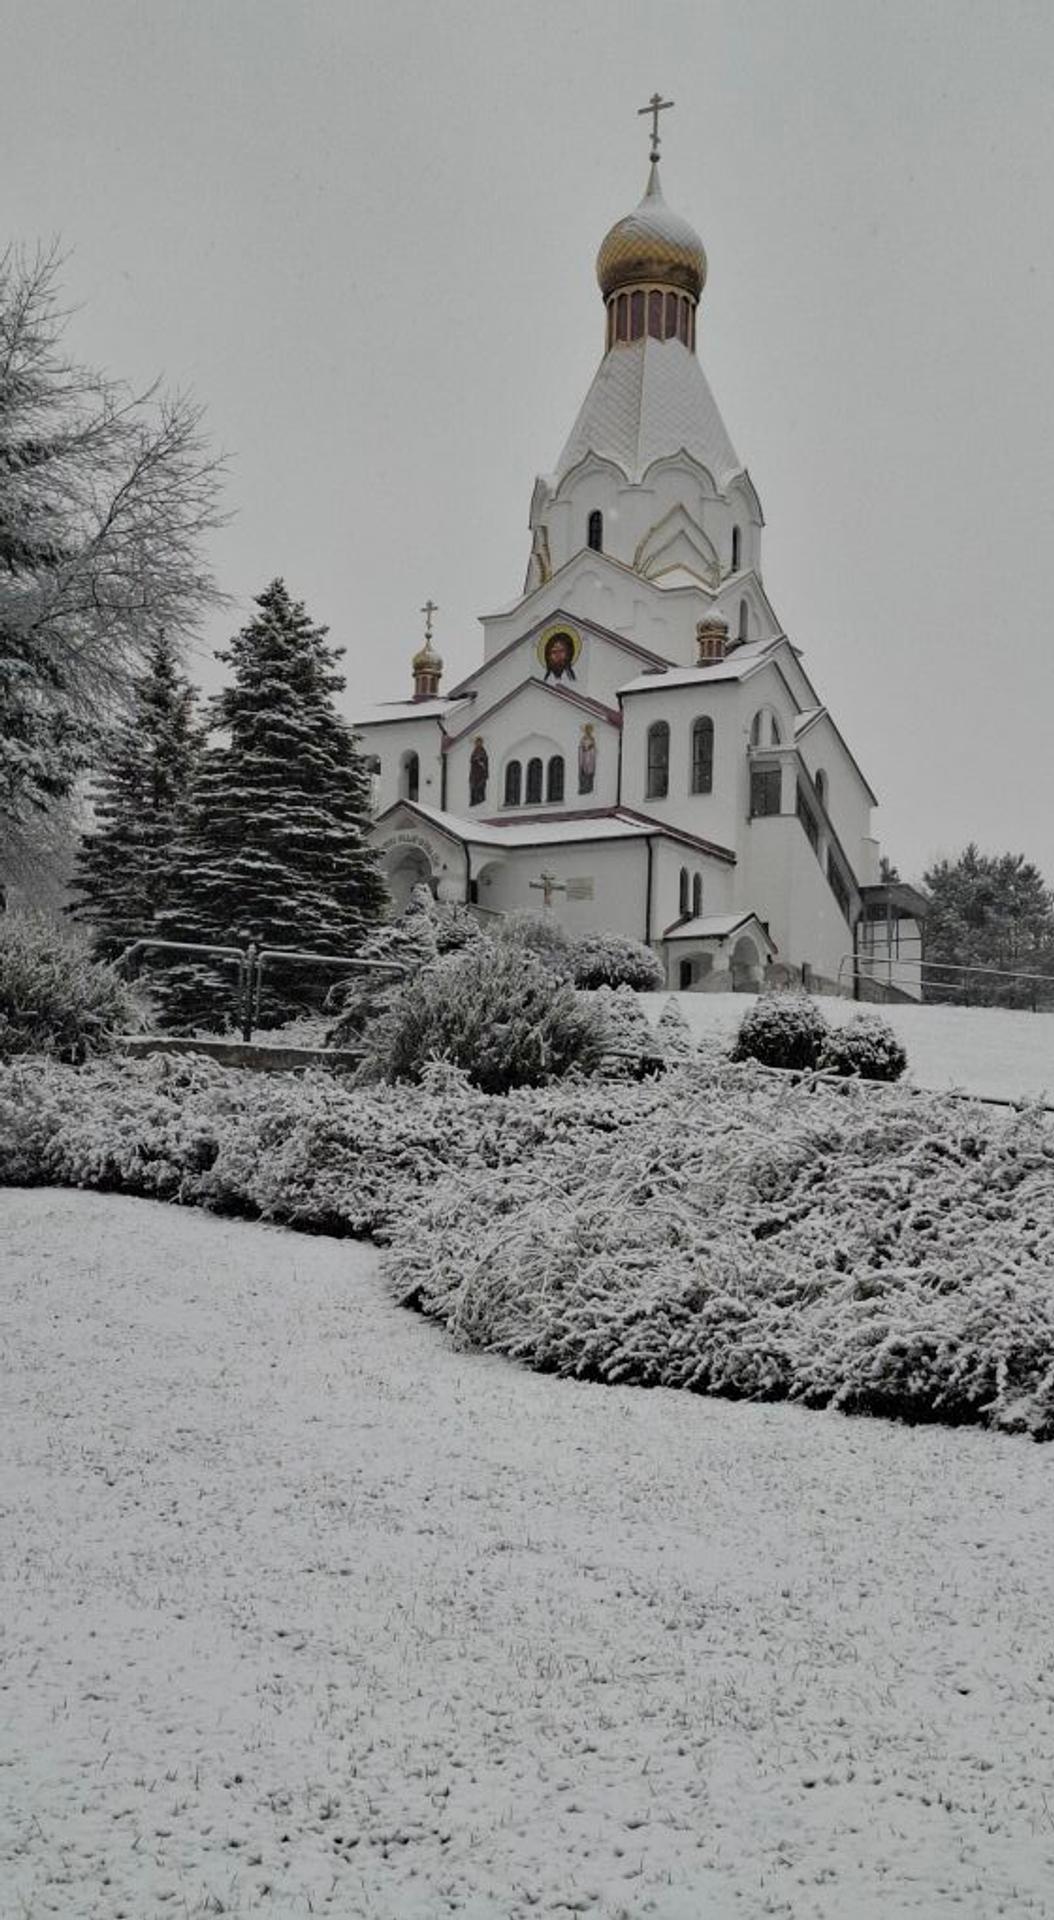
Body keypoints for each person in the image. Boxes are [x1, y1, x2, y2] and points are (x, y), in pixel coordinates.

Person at [468, 736, 488, 807]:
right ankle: (473, 801)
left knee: (480, 787)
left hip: (480, 773)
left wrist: (480, 761)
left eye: (479, 742)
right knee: (473, 787)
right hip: (474, 773)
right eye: (477, 742)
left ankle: (479, 800)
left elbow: (484, 760)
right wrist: (476, 759)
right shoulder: (475, 750)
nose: (478, 744)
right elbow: (472, 759)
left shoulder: (483, 750)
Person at [578, 722, 596, 794]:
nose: (587, 731)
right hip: (584, 756)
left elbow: (593, 747)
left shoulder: (592, 738)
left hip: (590, 756)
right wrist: (584, 748)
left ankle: (589, 787)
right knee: (583, 771)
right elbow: (581, 746)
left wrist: (589, 748)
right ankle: (583, 787)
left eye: (588, 730)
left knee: (589, 772)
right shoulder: (583, 738)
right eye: (586, 730)